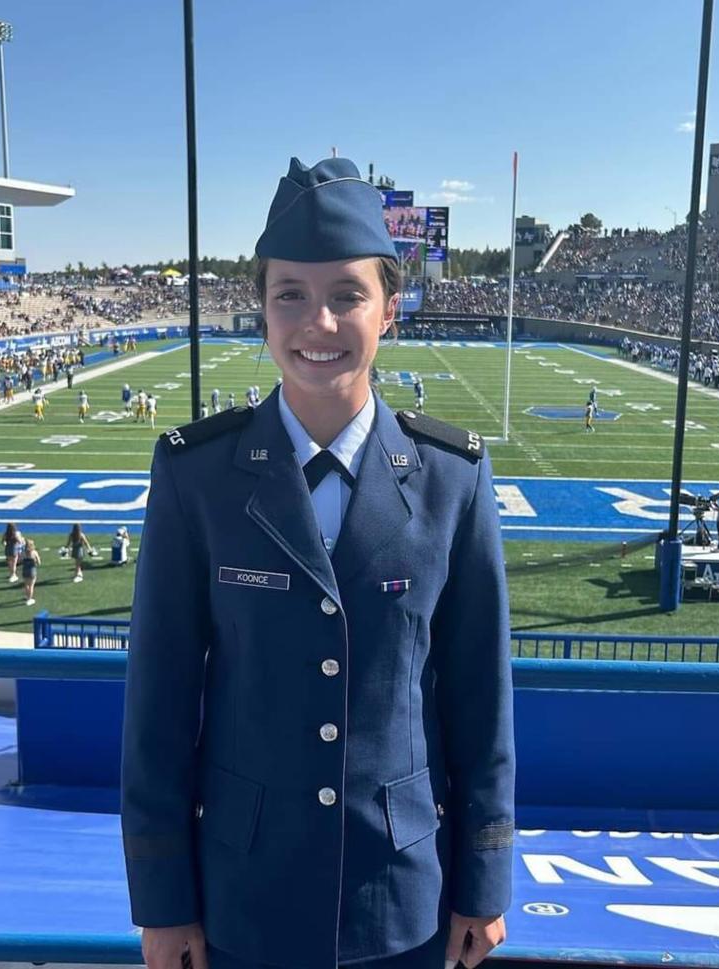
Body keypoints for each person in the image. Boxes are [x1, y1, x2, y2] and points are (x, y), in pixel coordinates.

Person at [122, 156, 514, 969]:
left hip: (402, 898)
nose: (319, 323)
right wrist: (163, 899)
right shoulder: (196, 475)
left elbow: (480, 697)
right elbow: (158, 703)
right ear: (262, 310)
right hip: (243, 897)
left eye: (347, 295)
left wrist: (486, 874)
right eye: (290, 294)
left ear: (390, 310)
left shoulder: (452, 477)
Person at [20, 539, 41, 606]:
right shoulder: (34, 552)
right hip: (32, 570)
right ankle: (29, 599)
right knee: (31, 585)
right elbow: (39, 562)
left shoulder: (23, 552)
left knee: (26, 585)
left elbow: (20, 560)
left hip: (25, 570)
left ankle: (27, 597)